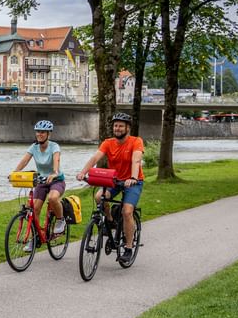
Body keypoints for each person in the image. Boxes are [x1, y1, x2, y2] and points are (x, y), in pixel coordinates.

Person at [76, 112, 144, 265]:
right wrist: (83, 172)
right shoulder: (108, 142)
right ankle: (111, 220)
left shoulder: (136, 141)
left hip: (133, 181)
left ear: (127, 128)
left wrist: (132, 178)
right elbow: (95, 158)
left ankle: (127, 248)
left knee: (127, 211)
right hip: (114, 180)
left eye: (121, 126)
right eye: (115, 126)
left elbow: (136, 159)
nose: (117, 128)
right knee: (99, 197)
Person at [13, 120, 65, 251]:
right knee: (34, 209)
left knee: (53, 198)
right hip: (41, 181)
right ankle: (34, 238)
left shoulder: (54, 147)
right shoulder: (33, 147)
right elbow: (25, 160)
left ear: (48, 134)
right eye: (38, 132)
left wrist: (54, 173)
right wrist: (15, 172)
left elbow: (56, 160)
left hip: (56, 180)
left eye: (42, 132)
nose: (39, 134)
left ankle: (60, 220)